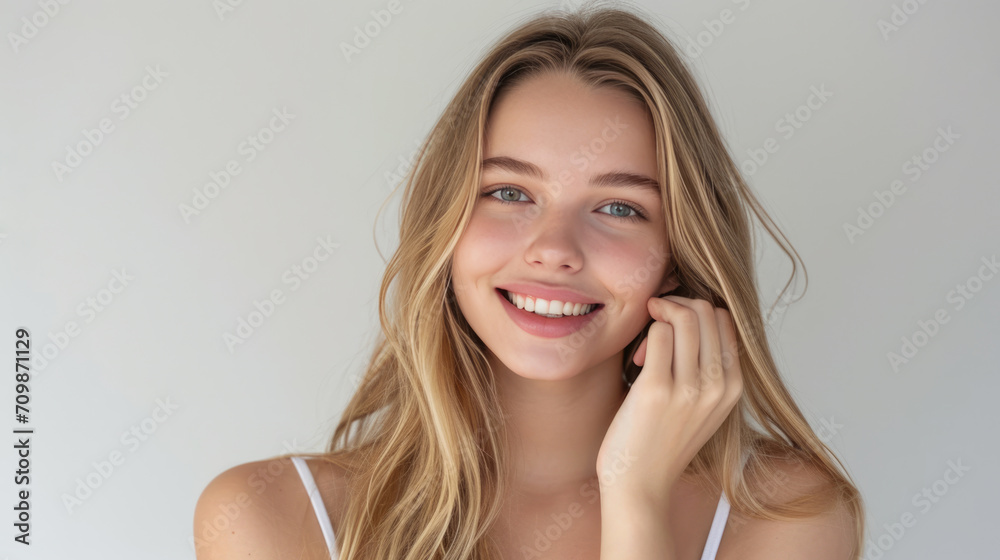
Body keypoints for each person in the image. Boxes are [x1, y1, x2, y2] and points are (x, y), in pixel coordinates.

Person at [194, 3, 865, 559]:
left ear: (679, 255)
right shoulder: (273, 520)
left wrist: (636, 496)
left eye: (619, 207)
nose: (554, 250)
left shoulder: (786, 517)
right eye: (510, 192)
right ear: (445, 224)